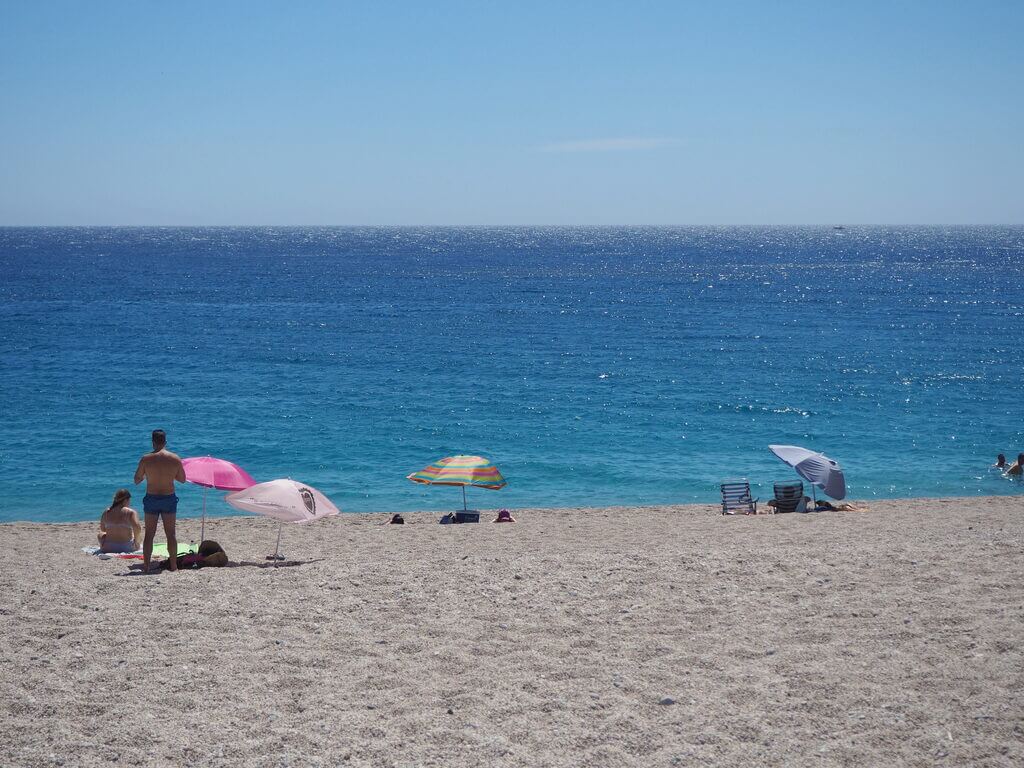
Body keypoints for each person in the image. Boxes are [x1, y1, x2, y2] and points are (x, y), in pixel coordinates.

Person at [134, 429, 186, 573]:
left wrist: (148, 475)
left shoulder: (146, 459)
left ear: (152, 442)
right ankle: (174, 566)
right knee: (171, 533)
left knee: (149, 533)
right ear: (165, 441)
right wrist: (169, 474)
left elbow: (137, 479)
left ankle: (146, 566)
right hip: (169, 498)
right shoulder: (175, 458)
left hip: (152, 498)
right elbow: (182, 479)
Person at [98, 488, 142, 553]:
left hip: (108, 547)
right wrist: (136, 541)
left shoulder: (106, 511)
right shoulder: (131, 512)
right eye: (129, 500)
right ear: (125, 500)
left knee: (100, 534)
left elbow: (103, 529)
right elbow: (137, 527)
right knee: (137, 536)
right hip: (127, 547)